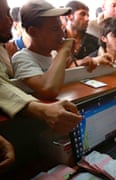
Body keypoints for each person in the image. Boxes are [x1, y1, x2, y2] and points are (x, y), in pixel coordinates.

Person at [0, 0, 82, 175]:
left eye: (60, 26)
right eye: (54, 29)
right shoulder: (22, 58)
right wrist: (63, 52)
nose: (61, 32)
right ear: (33, 32)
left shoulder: (52, 56)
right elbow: (49, 88)